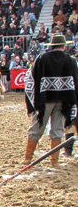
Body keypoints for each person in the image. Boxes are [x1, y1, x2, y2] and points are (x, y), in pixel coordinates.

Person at [23, 33, 78, 167]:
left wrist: (33, 100)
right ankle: (54, 161)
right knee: (58, 130)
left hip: (45, 99)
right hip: (64, 101)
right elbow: (76, 80)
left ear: (52, 46)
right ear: (64, 46)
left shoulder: (41, 59)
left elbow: (29, 77)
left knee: (37, 127)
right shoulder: (71, 61)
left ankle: (28, 158)